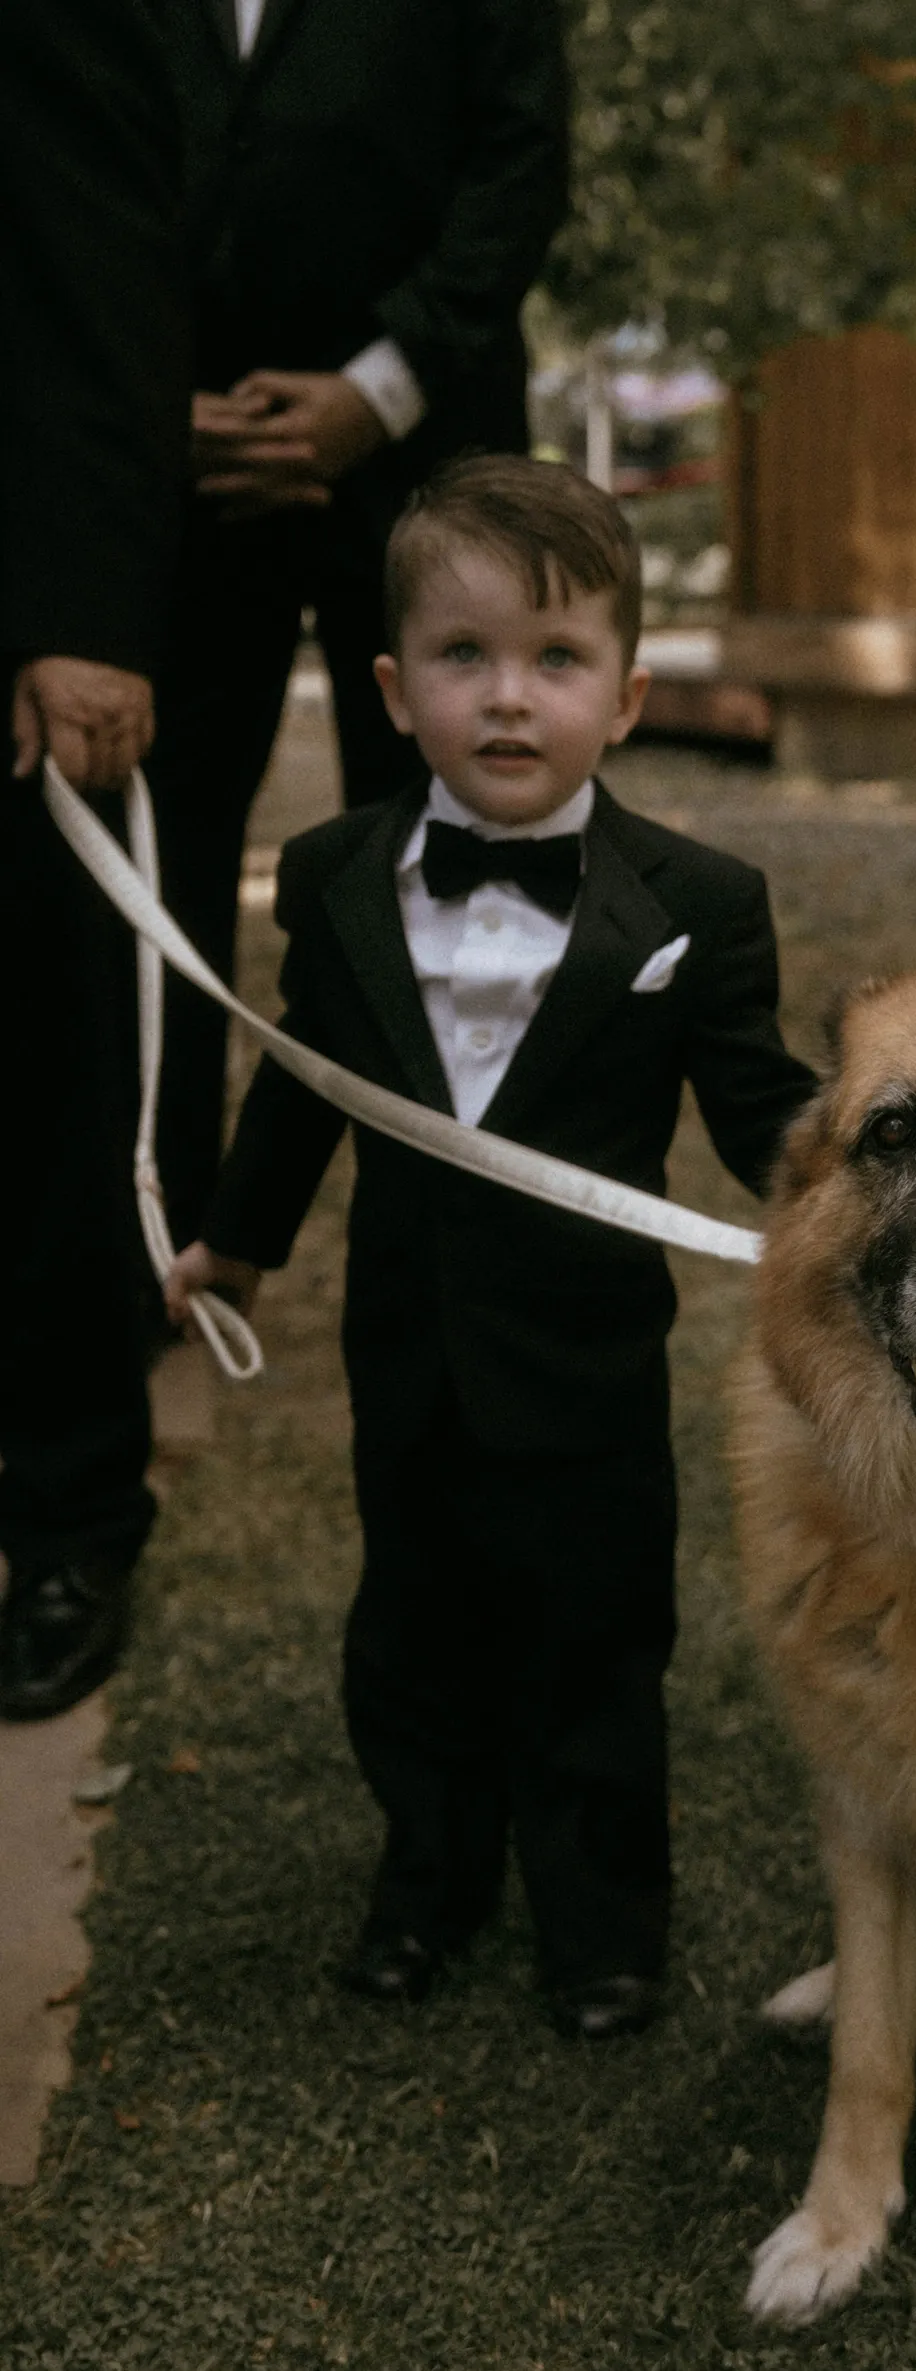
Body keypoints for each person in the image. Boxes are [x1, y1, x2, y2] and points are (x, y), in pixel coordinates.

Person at [165, 459, 817, 2036]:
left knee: (596, 1640)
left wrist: (872, 1196)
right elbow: (303, 1078)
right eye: (465, 656)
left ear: (627, 696)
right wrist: (237, 1243)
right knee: (412, 1629)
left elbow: (760, 1113)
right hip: (409, 1351)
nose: (510, 697)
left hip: (588, 1367)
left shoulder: (700, 902)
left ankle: (601, 1923)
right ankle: (428, 1882)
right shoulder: (334, 875)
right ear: (396, 690)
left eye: (556, 658)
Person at [150, 0, 571, 1250]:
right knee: (158, 865)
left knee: (449, 869)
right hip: (172, 487)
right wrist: (150, 401)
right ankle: (152, 1250)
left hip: (426, 476)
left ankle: (450, 1244)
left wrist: (374, 393)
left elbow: (521, 161)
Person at [0, 0, 190, 1721]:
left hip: (18, 662)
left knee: (44, 1093)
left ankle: (65, 1521)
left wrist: (77, 614)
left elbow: (92, 284)